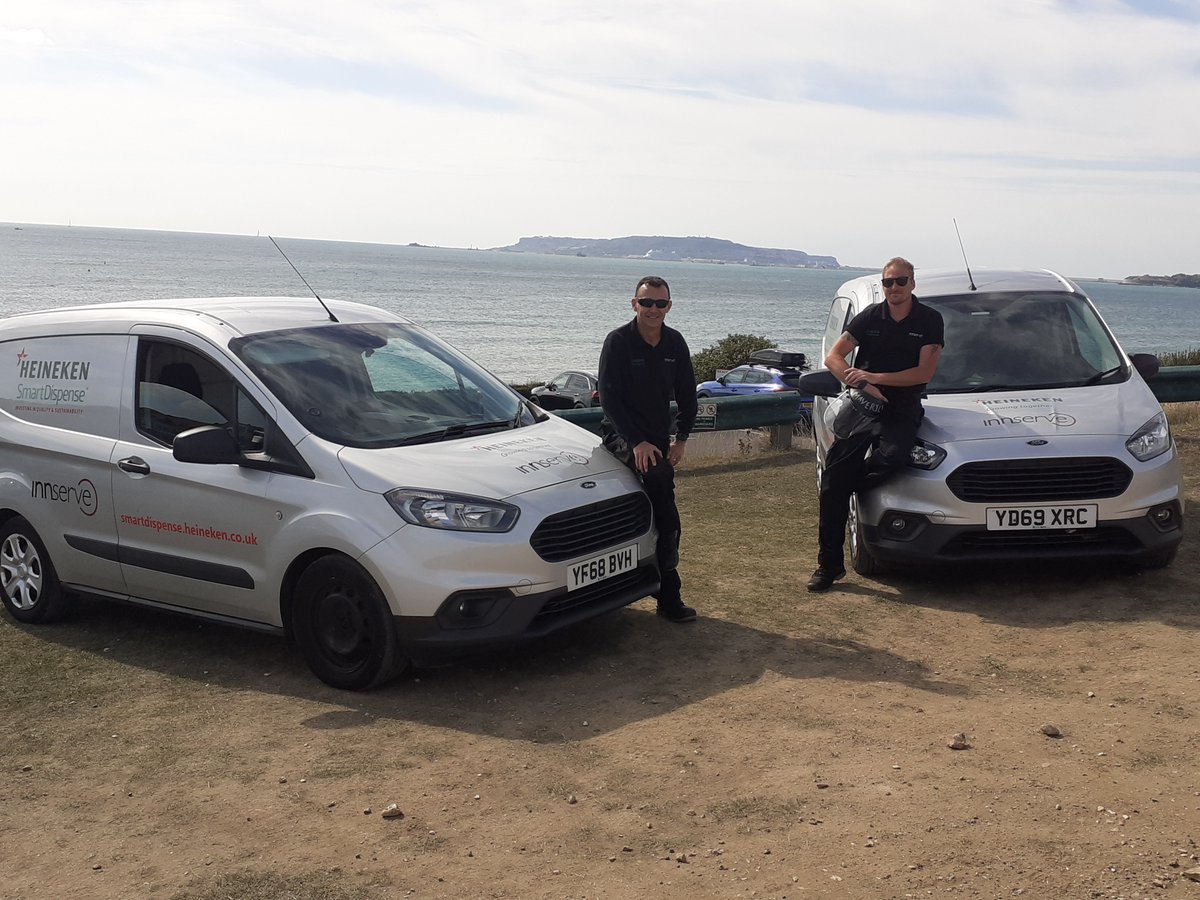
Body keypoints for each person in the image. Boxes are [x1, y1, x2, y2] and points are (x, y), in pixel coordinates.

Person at [808, 257, 944, 592]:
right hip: (863, 406)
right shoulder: (870, 316)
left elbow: (923, 374)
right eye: (888, 283)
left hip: (903, 407)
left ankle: (849, 488)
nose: (894, 288)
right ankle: (829, 566)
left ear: (912, 283)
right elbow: (833, 358)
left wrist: (874, 376)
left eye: (901, 281)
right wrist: (861, 384)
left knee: (893, 458)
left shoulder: (929, 320)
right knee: (831, 484)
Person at [598, 275, 699, 622]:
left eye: (660, 303)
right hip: (622, 435)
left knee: (664, 510)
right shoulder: (618, 342)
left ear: (669, 306)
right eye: (646, 303)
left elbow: (688, 395)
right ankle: (668, 596)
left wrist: (682, 438)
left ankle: (666, 591)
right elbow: (609, 400)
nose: (653, 309)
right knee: (660, 485)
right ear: (634, 304)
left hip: (656, 438)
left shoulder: (674, 343)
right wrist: (636, 442)